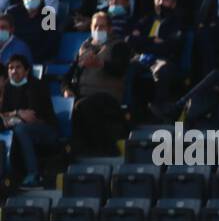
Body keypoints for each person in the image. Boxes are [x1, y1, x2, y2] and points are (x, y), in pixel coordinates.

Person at [63, 10, 128, 157]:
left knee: (82, 106)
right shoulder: (84, 48)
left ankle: (106, 148)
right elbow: (67, 76)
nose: (98, 30)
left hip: (108, 96)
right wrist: (66, 89)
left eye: (102, 26)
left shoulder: (118, 46)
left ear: (110, 29)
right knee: (71, 106)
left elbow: (120, 70)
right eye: (95, 26)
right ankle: (76, 150)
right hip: (84, 95)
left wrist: (100, 63)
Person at [1, 53, 58, 188]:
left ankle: (33, 174)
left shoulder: (36, 85)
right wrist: (17, 114)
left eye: (18, 67)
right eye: (10, 68)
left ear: (27, 70)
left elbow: (32, 117)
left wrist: (12, 117)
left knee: (20, 128)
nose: (14, 71)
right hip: (21, 127)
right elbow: (3, 114)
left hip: (46, 130)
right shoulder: (8, 87)